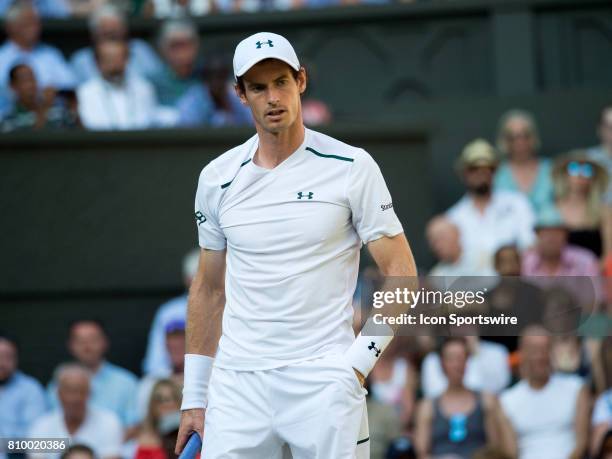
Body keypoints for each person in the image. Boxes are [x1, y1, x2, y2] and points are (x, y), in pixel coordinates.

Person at [175, 32, 417, 458]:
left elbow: (402, 274)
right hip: (237, 385)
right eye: (258, 87)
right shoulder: (216, 178)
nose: (273, 97)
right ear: (241, 95)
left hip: (324, 378)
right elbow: (209, 289)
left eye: (281, 82)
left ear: (301, 81)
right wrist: (195, 396)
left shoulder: (352, 166)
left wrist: (358, 364)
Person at [446, 138, 535, 276]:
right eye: (474, 168)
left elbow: (529, 247)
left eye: (488, 168)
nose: (481, 174)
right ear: (464, 173)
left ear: (495, 171)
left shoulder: (517, 204)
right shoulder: (453, 218)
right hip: (474, 292)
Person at [500, 326, 590, 459]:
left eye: (545, 349)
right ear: (522, 354)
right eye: (534, 350)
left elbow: (581, 444)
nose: (540, 356)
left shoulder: (576, 388)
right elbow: (511, 453)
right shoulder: (507, 400)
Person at [415, 338, 514, 459]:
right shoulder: (428, 407)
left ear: (467, 362)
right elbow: (421, 453)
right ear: (442, 364)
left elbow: (495, 449)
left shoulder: (486, 400)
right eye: (451, 359)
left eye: (461, 358)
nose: (457, 364)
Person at [46, 319, 139, 432]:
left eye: (93, 340)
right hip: (68, 447)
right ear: (70, 345)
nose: (87, 347)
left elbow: (135, 425)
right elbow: (50, 424)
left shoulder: (126, 382)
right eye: (80, 341)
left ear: (105, 342)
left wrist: (106, 443)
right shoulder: (59, 382)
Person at [29, 364, 122, 459]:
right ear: (58, 394)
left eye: (80, 391)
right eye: (69, 391)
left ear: (89, 393)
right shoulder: (41, 426)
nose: (75, 398)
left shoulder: (108, 422)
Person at [77, 40, 160, 130]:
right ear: (97, 62)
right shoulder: (84, 92)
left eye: (119, 58)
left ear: (127, 60)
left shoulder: (144, 88)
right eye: (109, 59)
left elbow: (149, 121)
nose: (114, 65)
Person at [70, 5, 163, 84]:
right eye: (106, 32)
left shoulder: (141, 50)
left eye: (115, 31)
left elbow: (158, 82)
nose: (111, 37)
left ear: (125, 30)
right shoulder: (81, 59)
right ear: (94, 34)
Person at [143, 248, 199, 376]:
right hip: (175, 384)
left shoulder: (234, 308)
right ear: (187, 279)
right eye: (196, 277)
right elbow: (155, 363)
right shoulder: (169, 312)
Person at [0, 1, 75, 90]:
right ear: (11, 27)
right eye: (27, 23)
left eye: (36, 23)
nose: (34, 29)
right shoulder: (2, 58)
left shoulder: (50, 54)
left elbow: (70, 86)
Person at [493, 109, 555, 217]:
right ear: (504, 141)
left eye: (525, 135)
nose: (520, 142)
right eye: (512, 137)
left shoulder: (551, 170)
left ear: (533, 137)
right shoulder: (496, 174)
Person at [552, 150, 608, 257]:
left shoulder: (604, 211)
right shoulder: (553, 208)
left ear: (593, 179)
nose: (580, 174)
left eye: (587, 170)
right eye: (574, 168)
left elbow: (609, 252)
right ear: (565, 175)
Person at [420, 336, 510, 399]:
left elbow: (499, 387)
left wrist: (476, 354)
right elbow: (434, 395)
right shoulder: (432, 360)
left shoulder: (497, 352)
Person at [522, 205, 600, 277]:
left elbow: (595, 291)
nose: (551, 238)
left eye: (556, 233)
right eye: (546, 233)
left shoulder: (585, 261)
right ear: (537, 235)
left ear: (566, 235)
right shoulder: (525, 263)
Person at [176, 54, 252, 127]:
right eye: (211, 77)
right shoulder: (192, 101)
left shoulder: (235, 96)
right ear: (204, 78)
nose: (216, 82)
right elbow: (188, 133)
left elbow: (251, 122)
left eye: (220, 76)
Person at [1, 63, 78, 132]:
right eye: (25, 80)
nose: (31, 85)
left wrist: (73, 105)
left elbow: (78, 134)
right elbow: (30, 143)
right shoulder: (9, 119)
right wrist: (45, 108)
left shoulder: (59, 111)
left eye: (32, 79)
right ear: (13, 86)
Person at [0, 333, 47, 441]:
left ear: (16, 359)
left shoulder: (31, 389)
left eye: (7, 357)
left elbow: (36, 437)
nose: (2, 363)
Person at [137, 320, 185, 419]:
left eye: (181, 345)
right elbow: (143, 421)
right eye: (172, 345)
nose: (176, 348)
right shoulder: (150, 383)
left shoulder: (207, 381)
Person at [151, 19, 200, 108]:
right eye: (175, 46)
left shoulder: (206, 79)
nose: (181, 53)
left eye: (185, 45)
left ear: (195, 47)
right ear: (163, 49)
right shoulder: (151, 83)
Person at [134, 380, 182, 459]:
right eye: (160, 399)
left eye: (173, 398)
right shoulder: (145, 443)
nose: (167, 404)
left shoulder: (194, 437)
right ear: (152, 405)